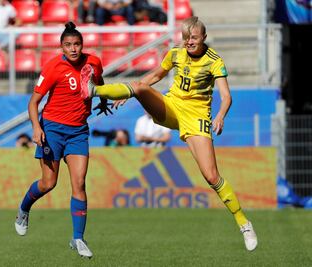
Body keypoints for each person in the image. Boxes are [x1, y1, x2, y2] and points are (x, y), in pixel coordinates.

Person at [79, 16, 258, 251]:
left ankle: (244, 223)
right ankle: (93, 89)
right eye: (185, 38)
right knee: (141, 87)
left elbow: (226, 96)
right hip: (171, 108)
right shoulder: (175, 53)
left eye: (193, 38)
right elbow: (154, 77)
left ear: (203, 38)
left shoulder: (214, 61)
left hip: (196, 118)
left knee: (211, 176)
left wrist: (220, 115)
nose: (189, 42)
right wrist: (130, 91)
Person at [14, 21, 111, 258]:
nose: (74, 49)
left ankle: (78, 238)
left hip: (78, 131)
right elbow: (33, 102)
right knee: (49, 183)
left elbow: (99, 84)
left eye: (77, 44)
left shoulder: (94, 62)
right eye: (68, 45)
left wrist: (104, 100)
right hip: (53, 130)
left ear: (82, 45)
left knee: (79, 184)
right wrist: (36, 128)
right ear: (62, 47)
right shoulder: (52, 67)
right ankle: (24, 208)